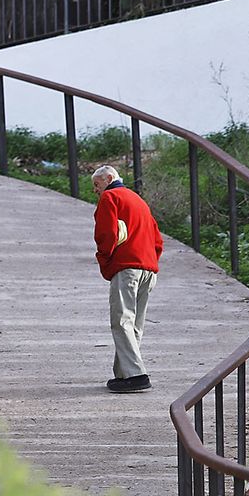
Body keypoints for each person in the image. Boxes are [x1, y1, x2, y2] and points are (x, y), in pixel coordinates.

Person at [91, 165, 163, 393]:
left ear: (109, 178)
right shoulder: (138, 200)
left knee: (121, 320)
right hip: (148, 268)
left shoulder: (111, 197)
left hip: (127, 267)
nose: (96, 190)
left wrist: (104, 261)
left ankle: (136, 375)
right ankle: (124, 375)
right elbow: (157, 239)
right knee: (135, 324)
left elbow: (107, 234)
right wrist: (151, 259)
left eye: (97, 184)